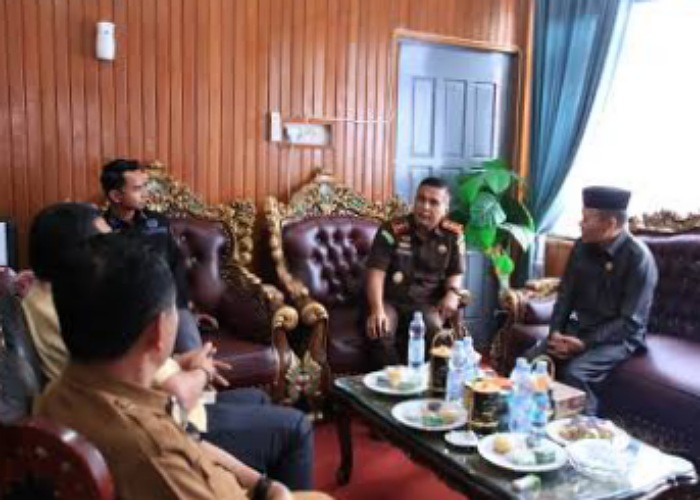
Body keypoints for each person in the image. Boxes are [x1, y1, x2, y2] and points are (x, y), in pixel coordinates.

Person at [24, 203, 315, 490]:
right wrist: (201, 370)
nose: (117, 243)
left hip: (155, 417)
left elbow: (186, 437)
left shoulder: (55, 388)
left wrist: (263, 486)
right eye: (106, 239)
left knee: (258, 400)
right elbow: (174, 415)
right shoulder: (155, 450)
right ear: (158, 331)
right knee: (297, 428)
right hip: (175, 423)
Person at [537, 186, 658, 415]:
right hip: (580, 328)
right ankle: (535, 421)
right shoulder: (581, 246)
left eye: (586, 219)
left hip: (620, 339)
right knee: (533, 361)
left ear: (610, 224)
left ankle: (587, 430)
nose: (580, 223)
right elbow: (565, 295)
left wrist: (584, 343)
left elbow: (630, 321)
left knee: (575, 373)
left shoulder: (638, 259)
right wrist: (555, 333)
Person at [100, 158, 201, 353]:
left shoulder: (158, 222)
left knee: (194, 353)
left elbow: (176, 263)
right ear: (115, 195)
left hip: (169, 304)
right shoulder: (101, 229)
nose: (146, 193)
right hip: (128, 311)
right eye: (138, 189)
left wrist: (184, 305)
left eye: (145, 186)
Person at [365, 177, 466, 367]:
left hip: (427, 303)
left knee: (434, 330)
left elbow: (456, 272)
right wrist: (376, 309)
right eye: (421, 199)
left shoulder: (453, 235)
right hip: (391, 300)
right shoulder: (392, 230)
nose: (425, 207)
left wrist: (453, 294)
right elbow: (376, 272)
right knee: (380, 329)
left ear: (445, 208)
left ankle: (428, 380)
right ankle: (396, 379)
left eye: (433, 202)